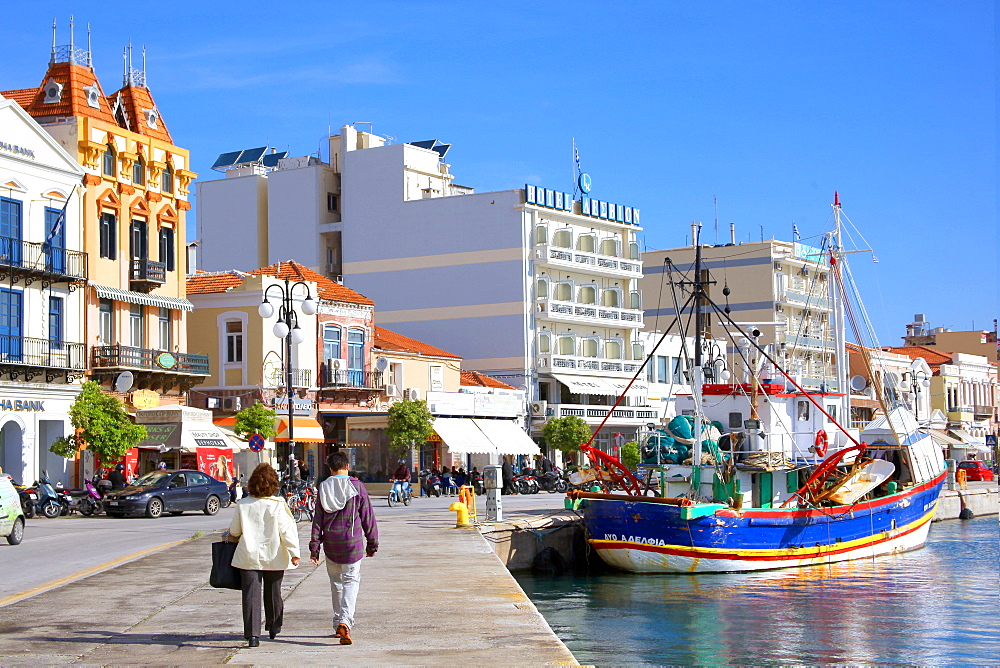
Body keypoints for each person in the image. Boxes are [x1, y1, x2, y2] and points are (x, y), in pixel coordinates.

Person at [228, 463, 300, 647]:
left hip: (248, 556)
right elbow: (287, 531)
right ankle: (274, 626)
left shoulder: (243, 505)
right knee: (274, 592)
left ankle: (253, 635)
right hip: (274, 555)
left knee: (251, 594)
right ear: (274, 484)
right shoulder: (278, 505)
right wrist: (294, 553)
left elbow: (235, 531)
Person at [309, 451, 378, 645]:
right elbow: (368, 518)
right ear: (347, 466)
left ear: (330, 468)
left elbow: (317, 521)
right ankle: (345, 622)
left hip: (331, 545)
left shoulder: (323, 488)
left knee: (336, 583)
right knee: (351, 581)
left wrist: (314, 548)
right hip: (352, 545)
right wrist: (372, 543)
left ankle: (338, 621)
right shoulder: (357, 487)